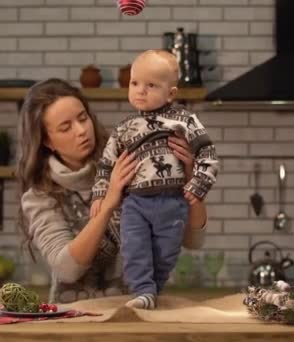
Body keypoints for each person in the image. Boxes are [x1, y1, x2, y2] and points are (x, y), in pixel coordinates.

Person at [16, 78, 208, 305]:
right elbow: (66, 269)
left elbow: (193, 240)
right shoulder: (39, 197)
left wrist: (190, 181)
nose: (81, 131)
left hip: (141, 313)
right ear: (47, 141)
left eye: (82, 118)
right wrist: (108, 203)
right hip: (75, 320)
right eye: (65, 127)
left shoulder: (131, 161)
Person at [90, 50, 219, 310]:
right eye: (135, 83)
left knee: (165, 253)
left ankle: (152, 292)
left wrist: (198, 183)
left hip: (172, 202)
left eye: (151, 85)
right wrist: (100, 195)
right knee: (134, 247)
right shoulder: (124, 127)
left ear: (171, 93)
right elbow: (106, 164)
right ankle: (143, 290)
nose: (140, 91)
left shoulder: (184, 120)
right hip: (135, 203)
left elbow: (207, 152)